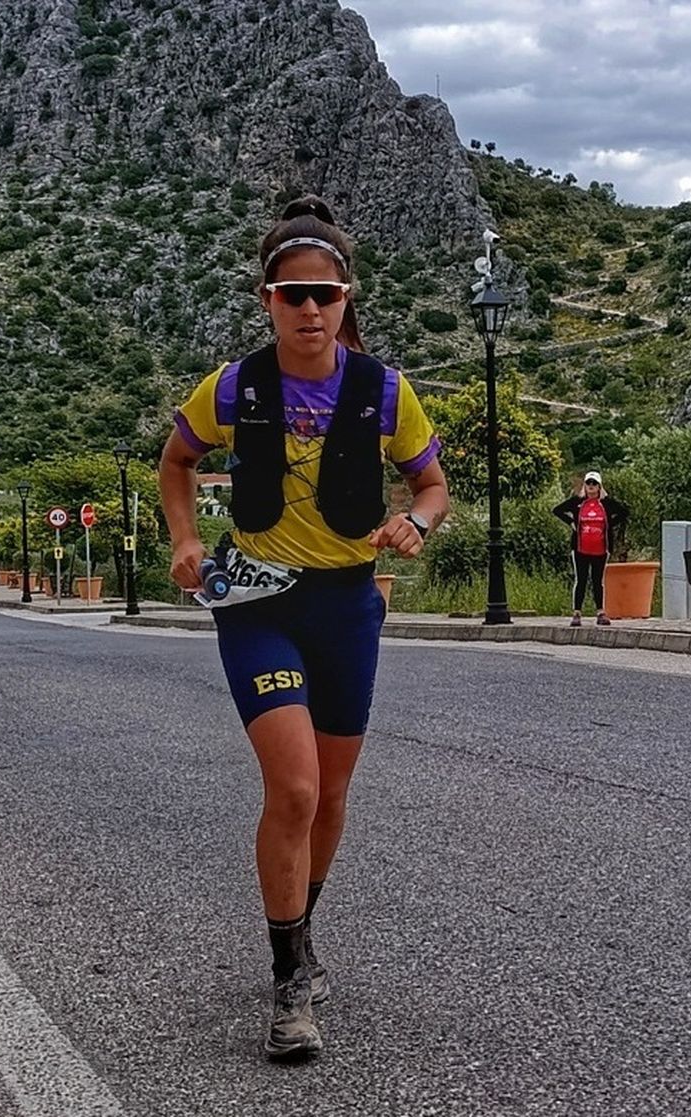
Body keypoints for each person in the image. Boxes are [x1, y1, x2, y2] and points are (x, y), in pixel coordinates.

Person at [158, 196, 450, 1063]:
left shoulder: (386, 392)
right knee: (292, 788)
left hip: (348, 606)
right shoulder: (233, 386)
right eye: (294, 295)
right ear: (267, 299)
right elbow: (178, 460)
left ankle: (302, 926)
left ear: (347, 296)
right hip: (256, 605)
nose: (311, 310)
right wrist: (182, 539)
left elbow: (431, 487)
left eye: (326, 293)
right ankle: (289, 982)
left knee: (329, 793)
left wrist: (417, 523)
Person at [552, 471, 629, 627]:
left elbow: (624, 512)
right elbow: (557, 510)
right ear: (584, 486)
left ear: (600, 486)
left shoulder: (605, 503)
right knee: (580, 580)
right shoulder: (577, 502)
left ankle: (600, 612)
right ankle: (577, 613)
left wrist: (608, 525)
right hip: (581, 548)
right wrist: (571, 522)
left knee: (597, 581)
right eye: (589, 484)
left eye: (594, 484)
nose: (591, 487)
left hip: (600, 548)